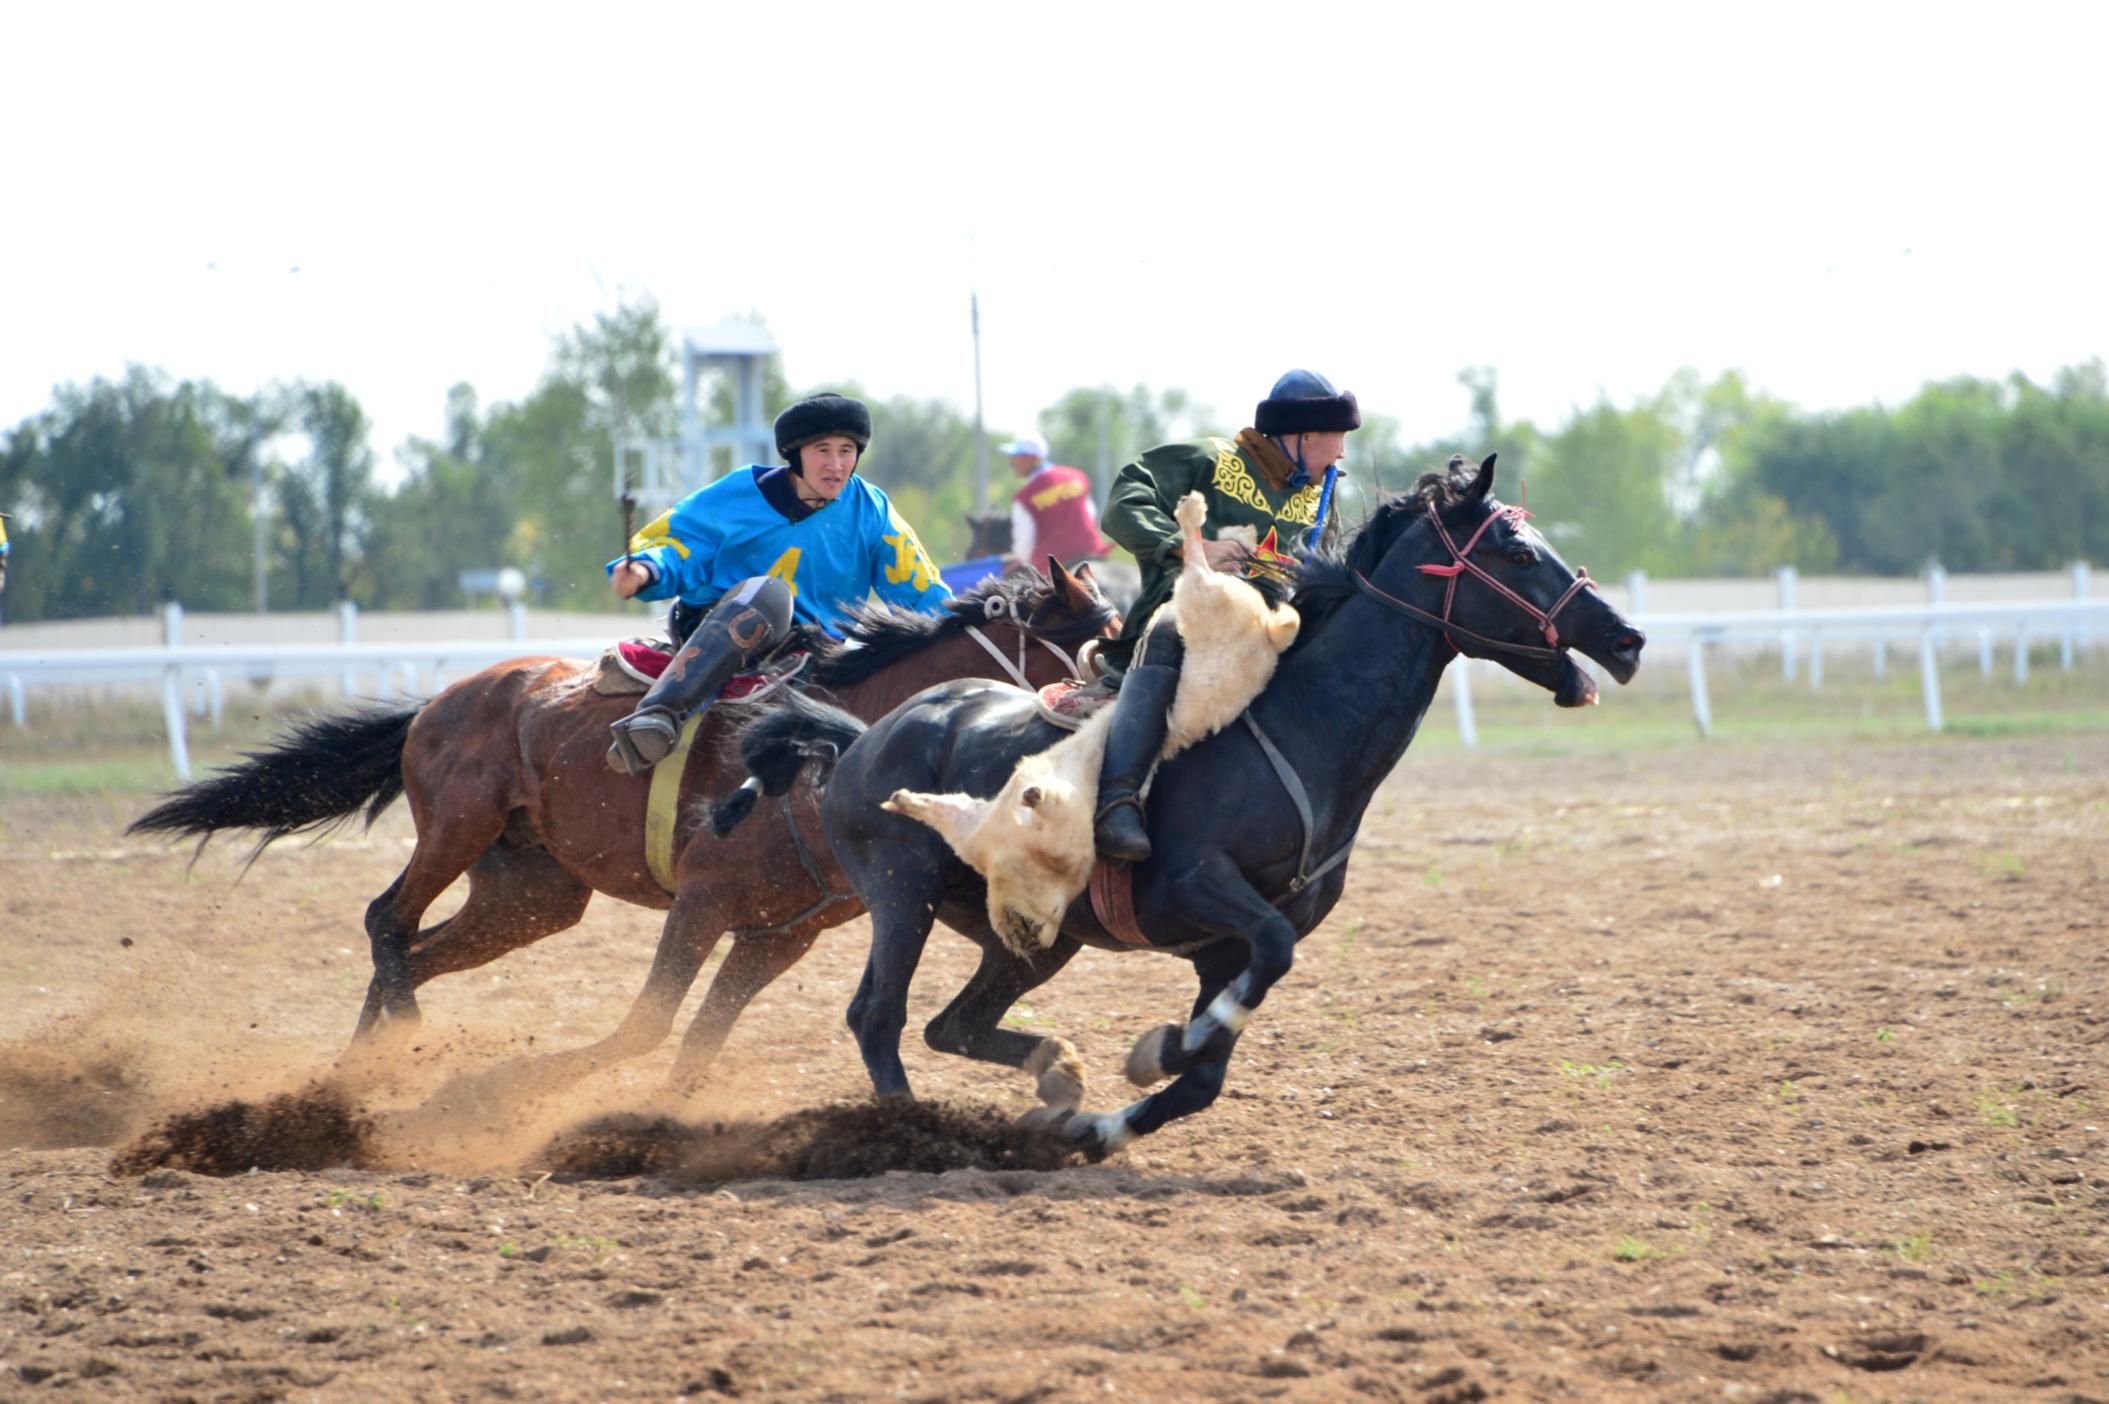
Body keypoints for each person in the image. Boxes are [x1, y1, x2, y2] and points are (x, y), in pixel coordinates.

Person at [603, 392, 952, 775]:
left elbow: (920, 591)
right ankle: (659, 715)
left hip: (817, 651)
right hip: (724, 629)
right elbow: (677, 544)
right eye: (823, 450)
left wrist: (964, 630)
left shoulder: (872, 509)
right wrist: (645, 571)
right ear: (795, 454)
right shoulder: (738, 494)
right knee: (770, 594)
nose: (836, 465)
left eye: (846, 451)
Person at [1091, 369, 1359, 862]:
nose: (1342, 453)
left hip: (1269, 634)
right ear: (1302, 437)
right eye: (1337, 438)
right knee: (1173, 630)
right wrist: (1191, 546)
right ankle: (1116, 802)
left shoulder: (1319, 491)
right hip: (1190, 618)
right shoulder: (1209, 460)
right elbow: (1121, 503)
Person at [998, 434, 1111, 571]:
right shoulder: (1077, 476)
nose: (1012, 461)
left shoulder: (1024, 497)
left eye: (1017, 456)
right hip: (1094, 555)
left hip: (1055, 568)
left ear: (1033, 458)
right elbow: (1091, 514)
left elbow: (1024, 549)